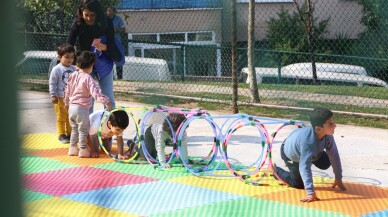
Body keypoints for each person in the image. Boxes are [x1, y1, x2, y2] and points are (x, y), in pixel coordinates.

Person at [274, 107, 347, 203]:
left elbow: (334, 155)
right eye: (330, 123)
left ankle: (307, 158)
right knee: (299, 184)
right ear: (318, 128)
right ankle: (276, 171)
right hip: (291, 155)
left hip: (306, 149)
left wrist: (338, 178)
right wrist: (310, 193)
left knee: (326, 162)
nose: (335, 125)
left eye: (333, 121)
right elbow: (304, 167)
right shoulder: (308, 143)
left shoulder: (328, 135)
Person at [67, 0, 124, 112]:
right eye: (86, 15)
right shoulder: (78, 22)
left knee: (108, 98)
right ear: (81, 13)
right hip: (85, 63)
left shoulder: (106, 22)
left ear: (98, 13)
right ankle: (87, 127)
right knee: (87, 99)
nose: (89, 18)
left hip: (104, 63)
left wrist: (105, 47)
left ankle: (110, 126)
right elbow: (69, 43)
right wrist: (70, 63)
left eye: (92, 15)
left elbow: (112, 42)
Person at [65, 51, 112, 158]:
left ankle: (72, 148)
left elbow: (67, 91)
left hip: (72, 107)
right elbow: (96, 94)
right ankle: (83, 149)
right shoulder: (88, 78)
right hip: (81, 109)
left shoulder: (73, 75)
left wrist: (66, 103)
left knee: (74, 129)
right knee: (83, 130)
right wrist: (106, 101)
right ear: (91, 66)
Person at [49, 43, 76, 143]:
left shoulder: (74, 69)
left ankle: (70, 134)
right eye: (67, 57)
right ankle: (61, 134)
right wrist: (53, 95)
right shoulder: (57, 69)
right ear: (59, 57)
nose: (70, 59)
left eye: (72, 57)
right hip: (60, 97)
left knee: (70, 116)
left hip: (71, 98)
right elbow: (52, 83)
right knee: (61, 117)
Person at [106, 6, 126, 80]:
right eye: (107, 10)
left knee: (118, 58)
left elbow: (123, 29)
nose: (108, 12)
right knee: (108, 59)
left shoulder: (118, 19)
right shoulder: (105, 19)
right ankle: (111, 77)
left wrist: (115, 30)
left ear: (114, 11)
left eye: (110, 10)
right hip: (107, 41)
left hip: (116, 41)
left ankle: (120, 77)